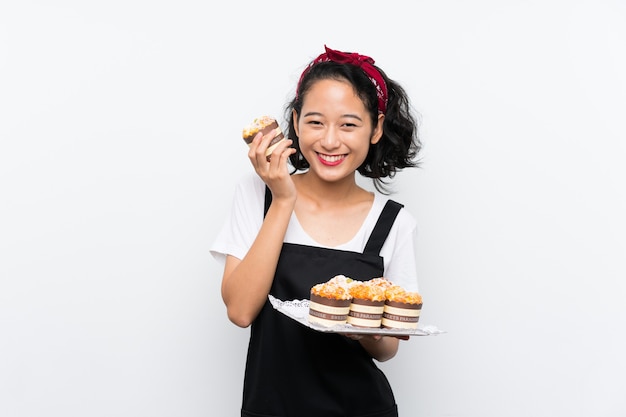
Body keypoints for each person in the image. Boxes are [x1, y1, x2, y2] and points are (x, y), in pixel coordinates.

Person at [210, 44, 422, 417]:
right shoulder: (257, 194)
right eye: (315, 122)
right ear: (294, 123)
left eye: (348, 124)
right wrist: (283, 200)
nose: (329, 140)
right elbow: (241, 311)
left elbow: (388, 351)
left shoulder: (393, 222)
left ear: (376, 128)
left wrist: (367, 333)